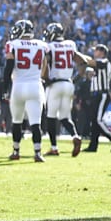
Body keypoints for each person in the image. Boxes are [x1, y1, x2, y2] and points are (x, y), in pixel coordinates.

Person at [3, 19, 49, 161]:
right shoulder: (42, 45)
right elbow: (45, 66)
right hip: (35, 86)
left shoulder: (13, 45)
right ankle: (37, 153)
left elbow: (8, 68)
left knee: (17, 121)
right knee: (35, 122)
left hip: (18, 86)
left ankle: (16, 151)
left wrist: (5, 88)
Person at [42, 22, 83, 157]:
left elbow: (45, 63)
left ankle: (54, 147)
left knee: (51, 117)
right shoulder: (70, 44)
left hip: (55, 84)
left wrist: (45, 78)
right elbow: (83, 62)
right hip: (68, 84)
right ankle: (75, 136)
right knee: (65, 117)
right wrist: (75, 79)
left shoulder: (49, 47)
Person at [82, 44, 111, 153]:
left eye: (96, 51)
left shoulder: (104, 62)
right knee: (94, 121)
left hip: (102, 94)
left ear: (102, 52)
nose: (94, 53)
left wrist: (79, 55)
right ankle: (93, 146)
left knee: (98, 120)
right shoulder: (98, 64)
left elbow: (91, 62)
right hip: (96, 94)